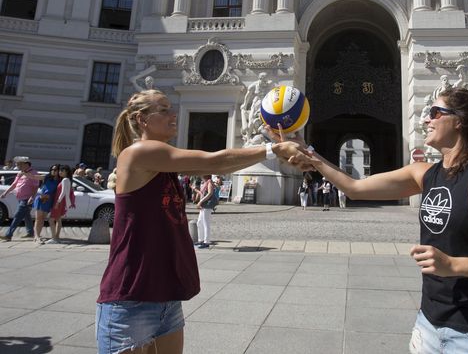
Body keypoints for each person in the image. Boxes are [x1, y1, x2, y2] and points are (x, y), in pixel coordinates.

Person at [291, 88, 468, 353]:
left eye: (436, 112)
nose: (427, 119)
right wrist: (308, 153)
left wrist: (453, 264)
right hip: (429, 323)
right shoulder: (424, 174)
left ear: (460, 120)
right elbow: (355, 187)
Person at [96, 89, 307, 354]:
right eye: (163, 109)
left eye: (171, 108)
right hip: (131, 296)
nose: (174, 114)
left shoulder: (163, 162)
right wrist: (272, 148)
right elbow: (214, 161)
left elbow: (217, 165)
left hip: (166, 295)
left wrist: (275, 143)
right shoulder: (138, 153)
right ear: (142, 119)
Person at [1, 156, 40, 241]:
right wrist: (5, 193)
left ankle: (8, 234)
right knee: (26, 216)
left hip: (27, 199)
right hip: (19, 198)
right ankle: (30, 233)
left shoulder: (33, 173)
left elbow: (35, 187)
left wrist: (32, 197)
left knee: (18, 215)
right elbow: (14, 184)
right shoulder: (20, 173)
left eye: (19, 164)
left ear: (26, 164)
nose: (18, 166)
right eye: (17, 164)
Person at [33, 164, 60, 243]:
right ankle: (37, 236)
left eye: (55, 170)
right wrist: (24, 173)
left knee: (42, 219)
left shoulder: (59, 180)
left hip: (49, 201)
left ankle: (37, 235)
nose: (53, 171)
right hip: (42, 199)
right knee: (38, 219)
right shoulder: (47, 177)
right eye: (52, 169)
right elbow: (34, 177)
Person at [48, 165, 75, 244]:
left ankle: (54, 238)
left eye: (62, 171)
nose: (60, 172)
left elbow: (63, 192)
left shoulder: (64, 180)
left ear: (66, 172)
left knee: (51, 219)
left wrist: (57, 202)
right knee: (58, 219)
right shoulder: (67, 180)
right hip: (62, 202)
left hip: (59, 202)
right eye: (60, 171)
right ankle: (57, 237)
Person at [195, 174, 215, 249]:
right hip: (204, 205)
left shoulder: (209, 182)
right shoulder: (205, 183)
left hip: (207, 205)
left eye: (202, 175)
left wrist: (200, 201)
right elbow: (202, 193)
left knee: (206, 223)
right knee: (199, 222)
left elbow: (210, 193)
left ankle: (206, 242)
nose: (201, 176)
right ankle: (201, 240)